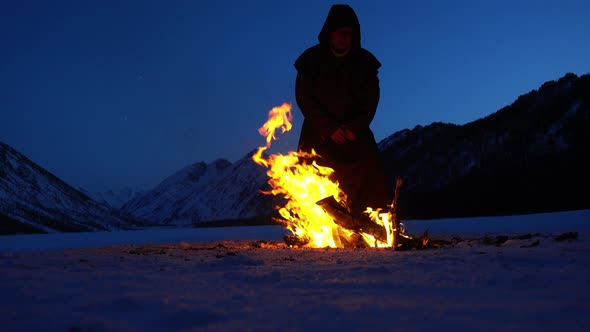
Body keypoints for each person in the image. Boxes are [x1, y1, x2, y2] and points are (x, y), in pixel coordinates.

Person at [294, 4, 391, 218]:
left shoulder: (365, 64)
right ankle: (314, 224)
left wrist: (353, 128)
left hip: (354, 134)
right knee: (310, 173)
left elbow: (370, 101)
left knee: (371, 173)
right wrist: (328, 128)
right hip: (317, 133)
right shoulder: (310, 61)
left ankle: (371, 224)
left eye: (350, 34)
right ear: (330, 33)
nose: (345, 38)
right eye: (341, 33)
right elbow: (304, 98)